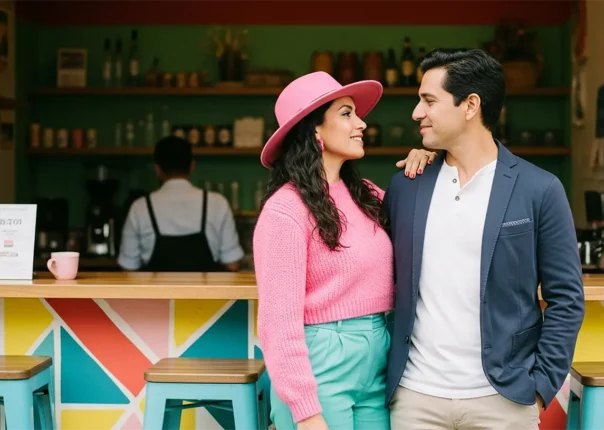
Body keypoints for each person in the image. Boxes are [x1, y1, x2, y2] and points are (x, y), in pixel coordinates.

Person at [383, 48, 585, 429]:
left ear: (470, 105)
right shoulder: (405, 186)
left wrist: (540, 386)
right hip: (415, 398)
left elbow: (567, 298)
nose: (416, 112)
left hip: (503, 399)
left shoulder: (539, 189)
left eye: (429, 100)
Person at [252, 71, 435, 430]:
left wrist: (430, 163)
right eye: (347, 113)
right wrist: (305, 411)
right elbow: (277, 323)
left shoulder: (366, 194)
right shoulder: (285, 210)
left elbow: (425, 222)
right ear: (314, 130)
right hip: (320, 365)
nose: (362, 123)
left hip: (376, 356)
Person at [118, 135, 244, 272]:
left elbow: (128, 267)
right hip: (205, 294)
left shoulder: (140, 207)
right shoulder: (218, 203)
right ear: (192, 166)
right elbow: (233, 264)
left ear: (157, 169)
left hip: (157, 294)